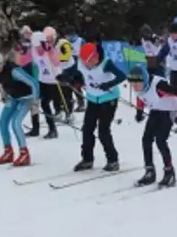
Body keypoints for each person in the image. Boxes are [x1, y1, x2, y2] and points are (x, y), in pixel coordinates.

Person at [57, 42, 126, 171]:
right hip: (93, 99)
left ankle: (113, 160)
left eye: (88, 61)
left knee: (103, 131)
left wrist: (109, 84)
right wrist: (64, 77)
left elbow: (122, 76)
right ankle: (87, 159)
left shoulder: (106, 63)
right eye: (83, 62)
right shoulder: (80, 62)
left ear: (95, 57)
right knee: (87, 129)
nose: (86, 65)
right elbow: (70, 71)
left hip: (108, 99)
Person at [128, 65, 177, 188]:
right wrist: (139, 112)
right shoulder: (140, 87)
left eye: (136, 84)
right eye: (132, 84)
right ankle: (150, 172)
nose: (134, 87)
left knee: (160, 140)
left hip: (169, 110)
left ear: (144, 79)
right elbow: (141, 96)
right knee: (146, 139)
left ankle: (169, 172)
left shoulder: (160, 86)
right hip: (156, 109)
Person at [0, 51, 39, 166]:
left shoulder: (14, 71)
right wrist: (4, 95)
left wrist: (35, 102)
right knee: (2, 122)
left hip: (26, 98)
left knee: (15, 123)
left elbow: (34, 83)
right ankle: (8, 151)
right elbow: (2, 84)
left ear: (1, 64)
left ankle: (24, 153)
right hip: (13, 97)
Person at [30, 30, 61, 139]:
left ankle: (53, 130)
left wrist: (50, 52)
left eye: (39, 45)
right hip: (42, 80)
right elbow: (28, 60)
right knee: (34, 102)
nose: (37, 48)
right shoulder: (33, 49)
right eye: (35, 45)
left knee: (45, 104)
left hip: (53, 80)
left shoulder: (49, 49)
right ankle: (35, 128)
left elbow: (57, 63)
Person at [62, 25, 86, 112]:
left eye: (68, 35)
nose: (67, 37)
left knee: (77, 86)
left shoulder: (80, 41)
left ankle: (81, 104)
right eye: (66, 35)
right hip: (67, 67)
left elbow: (86, 53)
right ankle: (67, 105)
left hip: (78, 67)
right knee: (67, 87)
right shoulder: (64, 42)